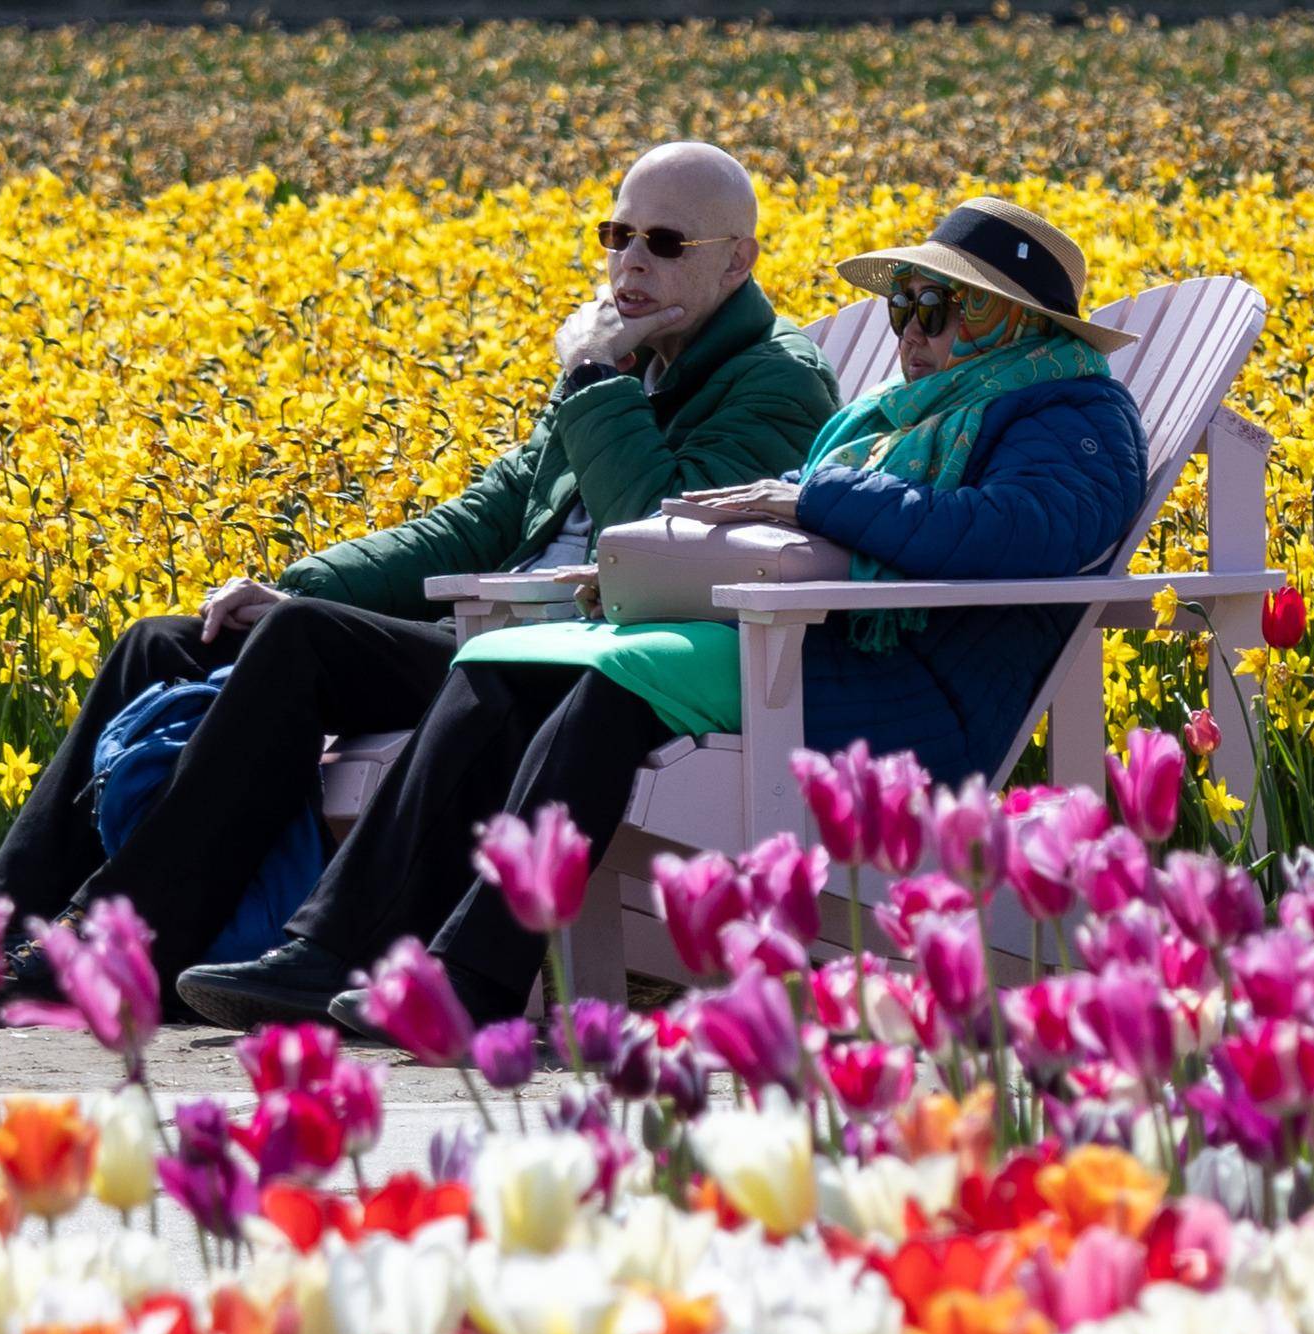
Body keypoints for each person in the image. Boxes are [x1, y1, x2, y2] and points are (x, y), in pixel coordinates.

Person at [0, 142, 835, 1035]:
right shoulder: (626, 360)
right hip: (495, 628)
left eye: (663, 243)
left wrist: (591, 388)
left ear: (736, 260)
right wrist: (294, 579)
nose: (627, 265)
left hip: (559, 654)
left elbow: (652, 531)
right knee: (162, 643)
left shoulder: (769, 379)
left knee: (303, 643)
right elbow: (475, 520)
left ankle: (115, 945)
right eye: (614, 236)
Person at [177, 195, 1150, 1040]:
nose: (912, 331)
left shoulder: (1070, 416)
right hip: (812, 648)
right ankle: (338, 952)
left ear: (1020, 325)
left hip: (903, 691)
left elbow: (1013, 532)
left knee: (604, 684)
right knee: (509, 662)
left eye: (945, 307)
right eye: (905, 303)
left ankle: (467, 976)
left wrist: (806, 501)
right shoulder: (915, 414)